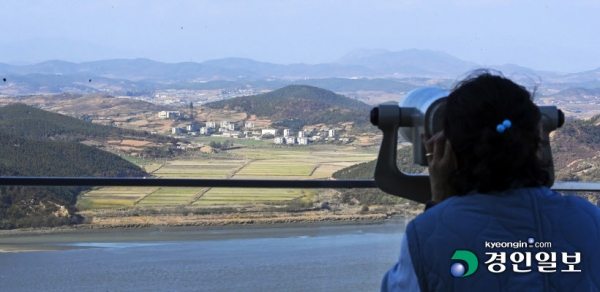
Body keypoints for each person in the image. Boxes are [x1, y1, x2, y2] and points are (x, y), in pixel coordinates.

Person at [381, 72, 600, 291]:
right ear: (538, 134)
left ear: (451, 146)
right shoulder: (590, 220)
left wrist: (439, 204)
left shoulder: (426, 235)